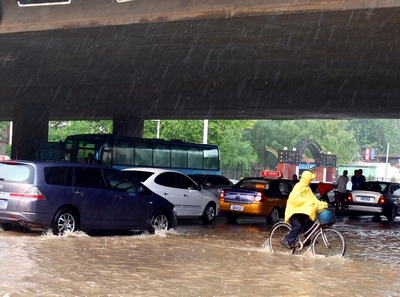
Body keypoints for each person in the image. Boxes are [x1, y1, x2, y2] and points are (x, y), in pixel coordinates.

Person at [280, 171, 328, 249]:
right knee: (298, 226)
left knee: (310, 221)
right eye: (310, 179)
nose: (311, 181)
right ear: (306, 179)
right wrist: (307, 202)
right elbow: (295, 199)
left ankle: (307, 239)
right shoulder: (298, 186)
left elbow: (313, 199)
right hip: (294, 211)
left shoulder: (307, 188)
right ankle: (287, 239)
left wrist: (321, 204)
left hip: (301, 212)